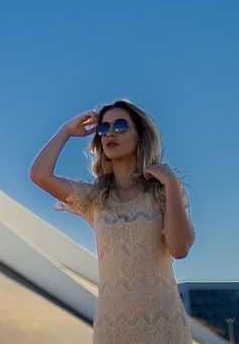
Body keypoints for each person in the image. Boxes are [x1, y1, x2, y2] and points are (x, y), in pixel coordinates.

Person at [29, 99, 195, 344]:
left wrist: (171, 184)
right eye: (103, 129)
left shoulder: (163, 190)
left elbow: (179, 249)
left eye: (120, 125)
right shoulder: (94, 198)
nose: (110, 134)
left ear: (140, 135)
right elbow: (39, 174)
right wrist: (66, 130)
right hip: (112, 326)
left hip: (164, 323)